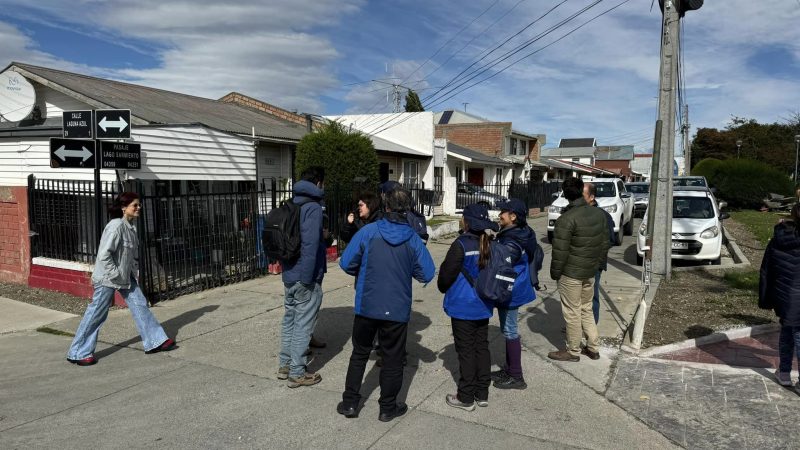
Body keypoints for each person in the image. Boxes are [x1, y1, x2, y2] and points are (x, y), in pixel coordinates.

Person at [336, 187, 435, 422]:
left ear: (386, 206)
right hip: (397, 307)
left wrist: (361, 270)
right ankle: (387, 407)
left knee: (360, 353)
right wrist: (408, 269)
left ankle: (350, 403)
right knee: (392, 358)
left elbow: (346, 262)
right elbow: (427, 273)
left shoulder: (369, 232)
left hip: (367, 304)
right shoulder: (412, 237)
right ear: (407, 209)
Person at [67, 192, 176, 366]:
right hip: (108, 277)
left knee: (140, 304)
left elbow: (129, 257)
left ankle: (156, 341)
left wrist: (132, 274)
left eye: (139, 205)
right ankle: (78, 351)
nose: (139, 208)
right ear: (124, 208)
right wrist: (116, 274)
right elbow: (104, 256)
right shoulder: (115, 226)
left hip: (125, 277)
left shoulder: (130, 228)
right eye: (135, 205)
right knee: (97, 313)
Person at [437, 204, 499, 411]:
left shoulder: (460, 245)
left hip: (463, 306)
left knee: (466, 351)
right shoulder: (489, 243)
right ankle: (482, 393)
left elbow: (445, 277)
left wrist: (442, 286)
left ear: (467, 222)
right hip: (483, 304)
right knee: (481, 347)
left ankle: (465, 396)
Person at [548, 177, 609, 362]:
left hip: (571, 273)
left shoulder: (566, 219)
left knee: (572, 311)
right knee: (586, 309)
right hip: (589, 272)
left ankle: (573, 350)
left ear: (565, 195)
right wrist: (596, 265)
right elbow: (604, 244)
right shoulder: (598, 214)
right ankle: (593, 347)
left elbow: (560, 252)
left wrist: (555, 273)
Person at [277, 166, 327, 388]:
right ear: (318, 183)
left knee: (290, 319)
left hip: (288, 273)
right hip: (304, 275)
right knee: (303, 324)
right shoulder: (313, 207)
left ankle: (284, 364)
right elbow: (310, 244)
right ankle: (297, 372)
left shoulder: (292, 203)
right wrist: (308, 279)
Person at [490, 198, 538, 389]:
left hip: (511, 289)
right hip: (516, 285)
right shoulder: (521, 232)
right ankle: (510, 369)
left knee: (510, 330)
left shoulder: (513, 239)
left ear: (513, 216)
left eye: (503, 211)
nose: (499, 215)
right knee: (507, 329)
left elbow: (501, 262)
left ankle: (517, 376)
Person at [759, 203, 800, 393]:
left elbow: (767, 268)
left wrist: (767, 296)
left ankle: (784, 372)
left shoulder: (779, 237)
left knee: (787, 330)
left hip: (784, 294)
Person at [582, 182, 615, 324]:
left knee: (592, 296)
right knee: (576, 297)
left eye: (582, 195)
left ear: (592, 197)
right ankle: (576, 327)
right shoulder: (575, 213)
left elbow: (610, 240)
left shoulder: (603, 216)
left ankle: (591, 327)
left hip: (594, 263)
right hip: (576, 263)